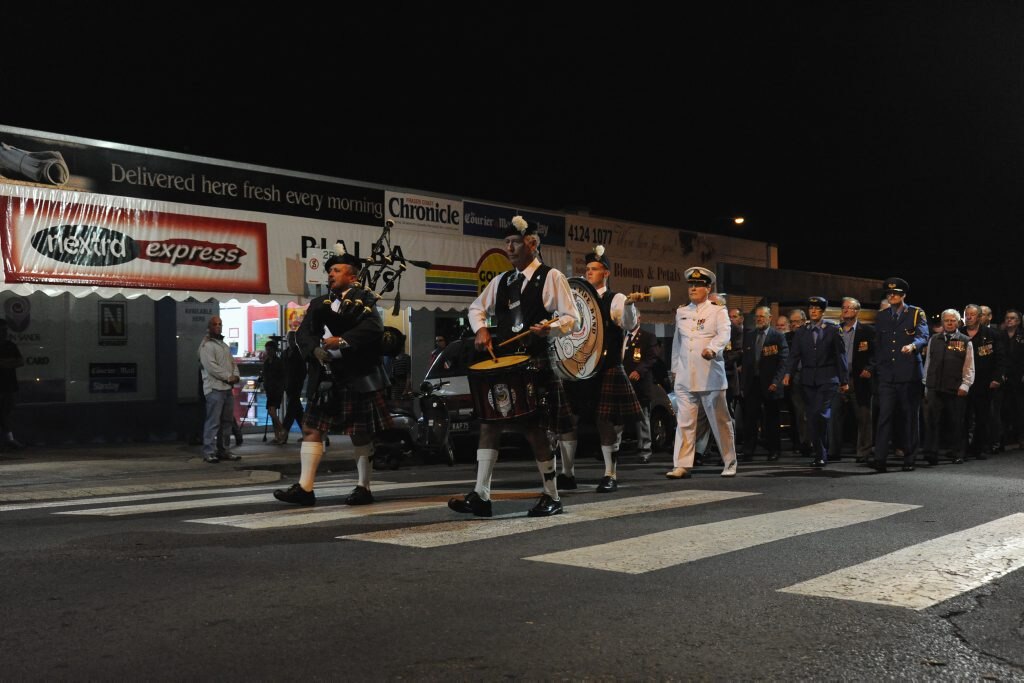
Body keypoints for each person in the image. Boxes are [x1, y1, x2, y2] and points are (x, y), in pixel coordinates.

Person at [449, 214, 579, 517]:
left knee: (534, 429)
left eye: (515, 242)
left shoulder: (551, 276)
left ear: (531, 244)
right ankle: (481, 495)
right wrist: (480, 329)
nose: (509, 248)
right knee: (489, 424)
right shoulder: (502, 281)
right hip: (504, 364)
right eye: (506, 243)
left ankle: (552, 496)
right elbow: (476, 308)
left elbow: (572, 318)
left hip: (535, 362)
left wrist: (551, 327)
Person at [273, 243, 392, 506]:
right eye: (329, 271)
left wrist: (344, 340)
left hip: (358, 375)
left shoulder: (365, 300)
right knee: (310, 428)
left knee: (359, 433)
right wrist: (314, 350)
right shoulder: (318, 303)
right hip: (326, 377)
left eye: (337, 270)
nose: (330, 274)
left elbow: (374, 328)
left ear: (352, 276)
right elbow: (303, 333)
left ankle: (363, 487)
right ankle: (305, 489)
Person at [557, 245, 642, 492]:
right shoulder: (575, 300)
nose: (588, 273)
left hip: (606, 367)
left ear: (606, 272)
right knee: (567, 421)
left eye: (594, 269)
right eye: (587, 269)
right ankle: (567, 474)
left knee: (605, 421)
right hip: (578, 369)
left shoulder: (615, 299)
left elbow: (628, 324)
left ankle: (610, 474)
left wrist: (629, 305)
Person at [665, 266, 738, 479]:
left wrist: (713, 349)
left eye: (698, 285)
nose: (693, 288)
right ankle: (682, 465)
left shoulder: (717, 311)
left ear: (708, 288)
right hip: (686, 375)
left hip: (710, 375)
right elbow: (678, 344)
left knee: (720, 422)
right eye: (691, 285)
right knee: (685, 422)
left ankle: (729, 462)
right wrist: (675, 370)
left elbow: (725, 334)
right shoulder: (682, 312)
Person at [784, 296, 848, 467]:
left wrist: (844, 380)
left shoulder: (833, 330)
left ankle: (822, 450)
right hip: (808, 379)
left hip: (828, 378)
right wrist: (788, 374)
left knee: (819, 413)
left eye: (817, 309)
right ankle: (820, 453)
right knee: (812, 416)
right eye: (811, 308)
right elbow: (794, 356)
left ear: (822, 311)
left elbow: (840, 355)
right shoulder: (801, 332)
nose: (813, 311)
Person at [873, 277, 928, 472]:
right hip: (888, 374)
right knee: (884, 416)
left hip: (908, 373)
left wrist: (913, 345)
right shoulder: (882, 316)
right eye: (889, 294)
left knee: (910, 417)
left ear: (903, 295)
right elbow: (878, 344)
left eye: (895, 293)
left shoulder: (915, 313)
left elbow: (923, 336)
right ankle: (880, 458)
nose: (891, 296)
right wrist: (879, 368)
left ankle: (909, 457)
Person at [922, 309, 974, 465]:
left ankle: (958, 453)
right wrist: (926, 383)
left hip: (955, 387)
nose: (950, 323)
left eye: (953, 321)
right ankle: (932, 453)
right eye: (947, 320)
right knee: (933, 421)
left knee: (956, 422)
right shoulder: (934, 339)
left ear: (958, 323)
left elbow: (969, 365)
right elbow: (928, 363)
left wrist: (965, 385)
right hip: (934, 387)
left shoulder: (965, 340)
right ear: (943, 322)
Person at [829, 297, 875, 463]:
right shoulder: (835, 330)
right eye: (844, 307)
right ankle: (833, 451)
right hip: (838, 379)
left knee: (863, 417)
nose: (845, 310)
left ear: (857, 311)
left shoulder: (867, 331)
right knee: (834, 416)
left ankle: (863, 452)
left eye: (849, 308)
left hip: (858, 379)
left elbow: (875, 354)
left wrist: (869, 368)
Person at [740, 306, 788, 461]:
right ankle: (749, 450)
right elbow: (745, 361)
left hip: (770, 383)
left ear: (769, 318)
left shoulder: (777, 336)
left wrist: (776, 382)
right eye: (757, 316)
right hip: (752, 383)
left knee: (772, 419)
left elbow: (783, 361)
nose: (759, 319)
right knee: (750, 418)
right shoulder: (749, 335)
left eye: (762, 316)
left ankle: (774, 450)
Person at [961, 304, 1007, 460]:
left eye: (972, 315)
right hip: (964, 382)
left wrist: (997, 378)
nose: (969, 317)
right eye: (966, 314)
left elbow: (1000, 359)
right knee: (963, 417)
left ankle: (978, 448)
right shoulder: (959, 334)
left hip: (984, 382)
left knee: (982, 417)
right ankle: (963, 448)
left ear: (980, 317)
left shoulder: (992, 334)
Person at [198, 315, 241, 463]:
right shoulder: (206, 346)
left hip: (226, 389)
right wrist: (229, 377)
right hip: (215, 388)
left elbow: (232, 362)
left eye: (220, 324)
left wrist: (235, 375)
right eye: (215, 324)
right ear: (209, 327)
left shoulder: (223, 345)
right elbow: (211, 367)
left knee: (226, 422)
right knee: (213, 422)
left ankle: (224, 450)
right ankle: (209, 451)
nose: (218, 326)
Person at [623, 310, 659, 463]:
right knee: (617, 418)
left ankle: (645, 450)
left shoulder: (648, 337)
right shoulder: (621, 337)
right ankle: (614, 448)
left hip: (640, 383)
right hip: (621, 382)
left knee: (642, 418)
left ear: (639, 318)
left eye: (634, 317)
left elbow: (652, 357)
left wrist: (639, 370)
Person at [0, 319, 24, 450]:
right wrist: (9, 362)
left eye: (5, 330)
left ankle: (9, 439)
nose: (4, 333)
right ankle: (9, 439)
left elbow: (20, 362)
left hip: (8, 385)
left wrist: (3, 363)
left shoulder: (10, 345)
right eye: (2, 330)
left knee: (6, 412)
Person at [279, 330, 307, 444]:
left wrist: (299, 381)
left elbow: (303, 370)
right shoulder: (284, 353)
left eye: (293, 339)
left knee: (291, 408)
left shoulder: (299, 353)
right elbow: (282, 369)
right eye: (289, 339)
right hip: (287, 385)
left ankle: (284, 432)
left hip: (296, 384)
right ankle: (307, 433)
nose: (291, 341)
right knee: (297, 410)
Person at [262, 338, 287, 444]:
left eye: (269, 349)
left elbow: (282, 377)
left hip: (276, 390)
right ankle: (277, 436)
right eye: (267, 349)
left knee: (272, 412)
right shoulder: (267, 362)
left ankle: (282, 431)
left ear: (274, 350)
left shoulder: (278, 362)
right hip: (269, 390)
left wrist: (280, 388)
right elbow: (265, 375)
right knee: (271, 412)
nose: (268, 351)